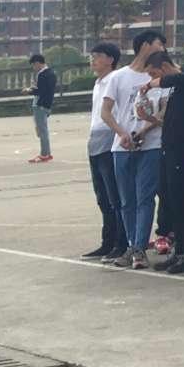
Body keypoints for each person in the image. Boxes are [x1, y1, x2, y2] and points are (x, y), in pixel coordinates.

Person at [99, 33, 160, 264]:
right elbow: (106, 112)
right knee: (127, 200)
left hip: (151, 145)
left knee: (145, 198)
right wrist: (122, 133)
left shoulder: (159, 77)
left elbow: (164, 111)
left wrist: (143, 131)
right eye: (158, 44)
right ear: (145, 45)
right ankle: (132, 245)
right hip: (122, 147)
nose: (162, 49)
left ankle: (139, 248)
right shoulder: (119, 77)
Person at [143, 48, 184, 274]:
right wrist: (148, 118)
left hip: (183, 151)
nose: (152, 79)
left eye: (153, 73)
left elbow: (180, 78)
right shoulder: (176, 88)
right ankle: (179, 249)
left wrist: (152, 84)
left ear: (165, 68)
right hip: (168, 148)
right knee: (170, 199)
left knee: (183, 201)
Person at [82, 43, 124, 258]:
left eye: (98, 55)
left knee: (114, 195)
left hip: (110, 139)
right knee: (102, 197)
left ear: (110, 59)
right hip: (95, 140)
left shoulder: (115, 80)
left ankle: (120, 242)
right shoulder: (98, 83)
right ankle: (107, 241)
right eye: (92, 56)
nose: (93, 59)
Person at [28, 53, 58, 163]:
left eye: (33, 65)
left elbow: (40, 91)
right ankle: (46, 153)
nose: (33, 68)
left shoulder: (42, 74)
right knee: (42, 130)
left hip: (40, 105)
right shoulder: (51, 73)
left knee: (42, 131)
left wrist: (29, 90)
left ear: (37, 63)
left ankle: (45, 154)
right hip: (46, 104)